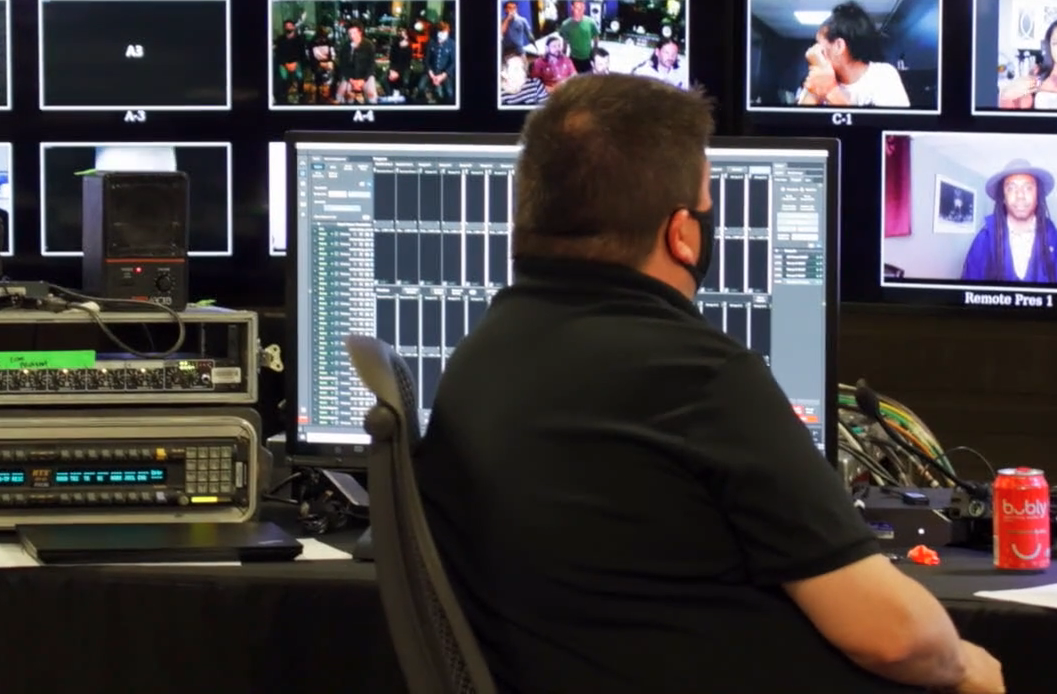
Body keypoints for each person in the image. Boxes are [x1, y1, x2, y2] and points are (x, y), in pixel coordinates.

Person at [415, 74, 1004, 694]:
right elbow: (896, 638)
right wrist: (967, 665)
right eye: (706, 203)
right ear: (683, 233)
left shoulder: (478, 356)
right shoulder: (699, 375)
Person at [960, 159, 1057, 285]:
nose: (1020, 195)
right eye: (1011, 188)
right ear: (1003, 197)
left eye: (1028, 188)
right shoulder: (983, 241)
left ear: (1037, 196)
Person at [799, 0, 911, 108]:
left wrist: (831, 91)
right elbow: (798, 124)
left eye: (818, 44)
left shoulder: (883, 75)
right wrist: (816, 84)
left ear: (838, 46)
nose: (813, 51)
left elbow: (896, 125)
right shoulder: (819, 76)